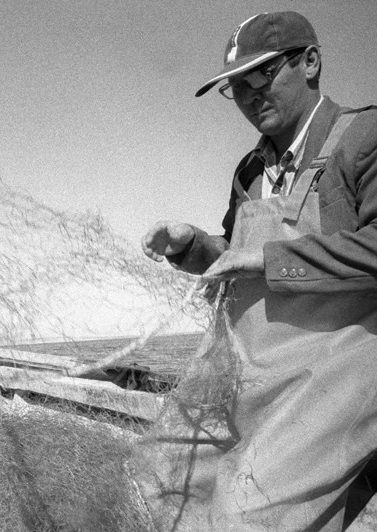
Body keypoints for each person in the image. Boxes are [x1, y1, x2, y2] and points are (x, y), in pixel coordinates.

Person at [141, 11, 377, 531]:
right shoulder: (249, 170)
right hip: (251, 369)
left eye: (262, 75)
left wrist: (271, 260)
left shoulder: (365, 136)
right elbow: (237, 254)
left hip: (338, 373)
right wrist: (195, 246)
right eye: (236, 87)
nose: (249, 96)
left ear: (309, 62)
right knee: (158, 479)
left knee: (247, 512)